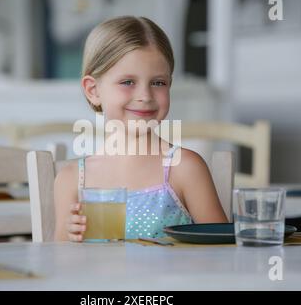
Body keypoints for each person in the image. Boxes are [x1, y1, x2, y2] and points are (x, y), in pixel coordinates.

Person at [54, 16, 227, 241]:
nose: (145, 96)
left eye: (158, 83)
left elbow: (223, 251)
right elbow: (55, 263)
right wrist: (68, 236)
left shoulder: (185, 168)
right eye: (127, 82)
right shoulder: (72, 179)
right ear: (93, 90)